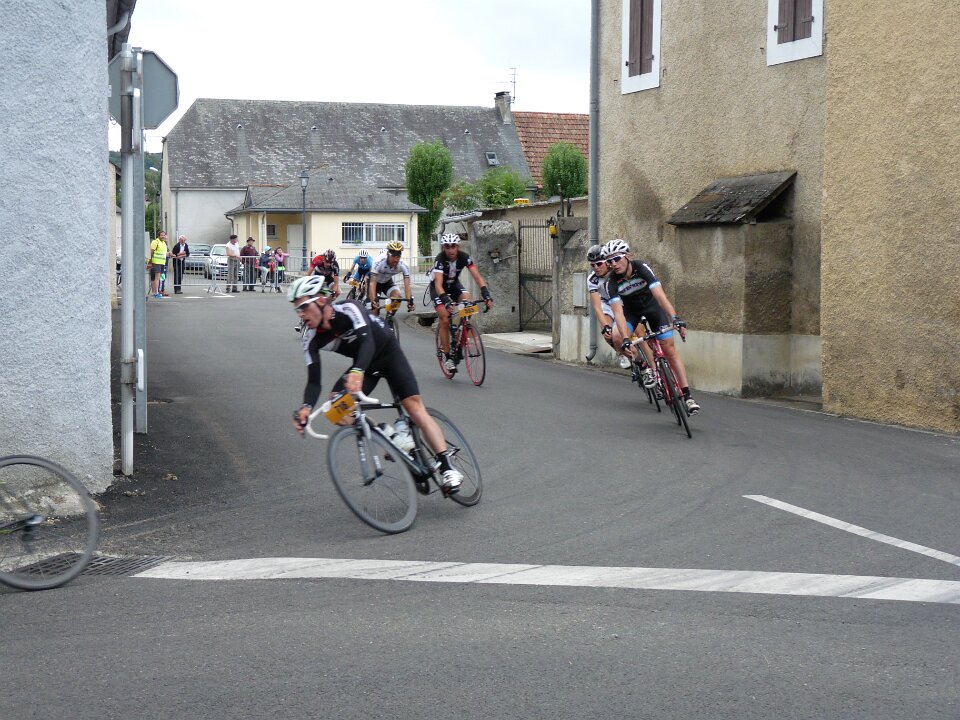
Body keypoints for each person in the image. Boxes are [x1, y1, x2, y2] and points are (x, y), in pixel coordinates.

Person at [289, 276, 463, 493]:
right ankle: (392, 438)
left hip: (387, 352)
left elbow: (367, 342)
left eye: (304, 307)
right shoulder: (311, 339)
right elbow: (314, 381)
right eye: (297, 309)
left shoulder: (349, 309)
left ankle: (447, 468)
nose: (300, 314)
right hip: (365, 364)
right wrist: (306, 408)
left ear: (321, 300)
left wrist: (357, 371)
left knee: (413, 408)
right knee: (337, 409)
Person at [603, 238, 700, 414]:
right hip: (631, 312)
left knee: (669, 350)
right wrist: (625, 338)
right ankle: (642, 365)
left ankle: (687, 396)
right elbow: (618, 313)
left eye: (616, 259)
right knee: (617, 337)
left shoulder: (641, 268)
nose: (613, 264)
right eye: (609, 261)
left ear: (628, 256)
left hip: (652, 308)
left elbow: (660, 297)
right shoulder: (611, 282)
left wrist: (675, 318)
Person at [586, 243, 653, 386]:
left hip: (624, 301)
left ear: (606, 262)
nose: (596, 267)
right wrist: (605, 326)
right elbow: (597, 306)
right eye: (592, 265)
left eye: (599, 264)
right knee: (608, 333)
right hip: (607, 303)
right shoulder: (592, 279)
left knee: (639, 332)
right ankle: (624, 354)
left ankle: (653, 369)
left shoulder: (617, 271)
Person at [430, 233, 493, 374]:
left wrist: (486, 294)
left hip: (454, 285)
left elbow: (477, 276)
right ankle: (448, 357)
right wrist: (446, 301)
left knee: (469, 303)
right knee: (444, 319)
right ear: (444, 248)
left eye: (453, 246)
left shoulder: (464, 257)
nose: (450, 250)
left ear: (457, 247)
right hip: (438, 289)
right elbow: (438, 285)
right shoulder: (440, 259)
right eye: (447, 247)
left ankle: (459, 339)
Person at [368, 241, 414, 316]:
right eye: (393, 256)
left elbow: (407, 285)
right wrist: (373, 300)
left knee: (397, 298)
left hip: (387, 282)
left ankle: (389, 317)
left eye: (398, 257)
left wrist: (409, 301)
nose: (396, 259)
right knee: (375, 311)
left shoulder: (403, 265)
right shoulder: (378, 262)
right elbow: (372, 284)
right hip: (375, 283)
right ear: (388, 254)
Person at [148, 230, 169, 299]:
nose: (163, 236)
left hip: (161, 262)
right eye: (161, 235)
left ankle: (155, 292)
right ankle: (156, 293)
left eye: (164, 235)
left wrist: (170, 254)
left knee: (156, 278)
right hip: (156, 262)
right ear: (158, 236)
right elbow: (151, 252)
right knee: (157, 278)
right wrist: (150, 261)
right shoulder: (155, 242)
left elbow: (164, 253)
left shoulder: (163, 243)